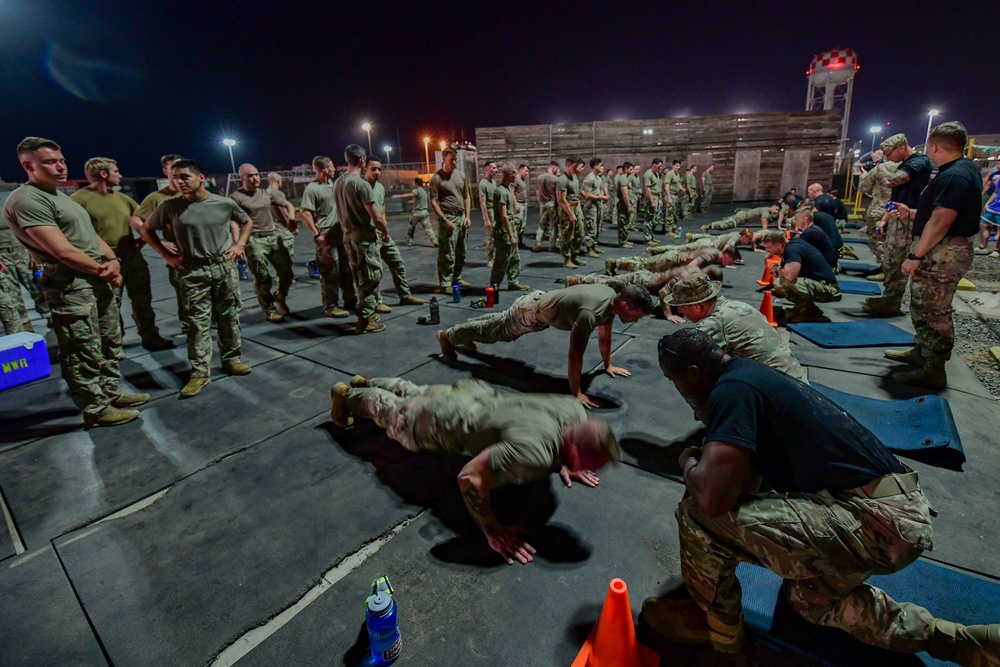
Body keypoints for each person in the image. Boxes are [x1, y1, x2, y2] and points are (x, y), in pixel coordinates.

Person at [643, 328, 1000, 664]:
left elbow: (713, 501)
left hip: (876, 519)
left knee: (697, 515)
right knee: (809, 602)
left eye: (674, 380)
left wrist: (689, 460)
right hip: (895, 511)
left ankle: (714, 626)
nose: (678, 389)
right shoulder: (748, 374)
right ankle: (959, 641)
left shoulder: (730, 391)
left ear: (692, 373)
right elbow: (750, 479)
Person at [329, 376, 621, 565]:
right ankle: (349, 397)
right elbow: (469, 477)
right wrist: (493, 531)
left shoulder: (575, 412)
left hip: (473, 393)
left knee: (414, 391)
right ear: (572, 450)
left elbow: (562, 437)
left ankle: (370, 381)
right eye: (586, 463)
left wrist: (570, 461)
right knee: (393, 414)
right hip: (439, 421)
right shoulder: (535, 453)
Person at [4, 137, 148, 426]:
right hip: (70, 282)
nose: (60, 167)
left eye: (61, 160)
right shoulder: (27, 200)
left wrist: (114, 261)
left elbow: (92, 237)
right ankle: (96, 409)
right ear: (27, 165)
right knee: (82, 347)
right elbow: (62, 251)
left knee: (109, 339)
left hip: (96, 274)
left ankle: (111, 392)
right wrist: (102, 268)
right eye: (50, 162)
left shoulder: (62, 198)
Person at [141, 159, 253, 398]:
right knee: (197, 323)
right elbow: (146, 229)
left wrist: (239, 244)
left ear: (201, 177)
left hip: (223, 268)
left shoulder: (223, 203)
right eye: (175, 177)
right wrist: (165, 254)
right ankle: (200, 373)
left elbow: (247, 221)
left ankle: (231, 359)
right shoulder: (170, 206)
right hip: (192, 271)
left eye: (184, 177)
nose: (179, 182)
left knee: (229, 316)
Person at [437, 283, 653, 408]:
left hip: (537, 305)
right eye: (636, 315)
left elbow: (605, 335)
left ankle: (464, 333)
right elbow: (575, 355)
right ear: (625, 305)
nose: (635, 321)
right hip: (529, 313)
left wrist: (608, 365)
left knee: (496, 324)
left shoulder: (610, 297)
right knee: (496, 332)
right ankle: (448, 336)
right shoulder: (591, 313)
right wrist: (577, 393)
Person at [889, 122, 983, 389]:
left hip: (943, 252)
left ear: (935, 146)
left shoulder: (955, 175)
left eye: (928, 147)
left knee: (934, 309)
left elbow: (942, 220)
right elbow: (942, 212)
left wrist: (915, 255)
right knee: (922, 304)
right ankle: (922, 352)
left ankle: (934, 369)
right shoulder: (960, 170)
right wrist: (913, 212)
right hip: (941, 248)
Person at [72, 157, 173, 349]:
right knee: (110, 305)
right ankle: (113, 344)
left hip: (131, 257)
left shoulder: (122, 198)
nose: (120, 175)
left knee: (143, 299)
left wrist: (141, 243)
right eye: (116, 171)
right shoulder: (78, 200)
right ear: (103, 174)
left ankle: (150, 337)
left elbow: (145, 222)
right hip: (104, 261)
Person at [662, 273, 808, 384]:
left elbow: (682, 354)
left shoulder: (714, 323)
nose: (680, 312)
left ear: (697, 306)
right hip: (795, 384)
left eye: (682, 307)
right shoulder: (738, 306)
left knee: (687, 374)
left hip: (780, 396)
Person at [862, 134, 933, 317]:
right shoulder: (906, 163)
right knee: (890, 258)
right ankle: (889, 299)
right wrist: (885, 219)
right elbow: (896, 196)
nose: (888, 158)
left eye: (889, 153)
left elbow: (891, 181)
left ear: (901, 147)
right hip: (898, 216)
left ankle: (891, 302)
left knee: (897, 261)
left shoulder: (918, 163)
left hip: (908, 220)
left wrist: (879, 165)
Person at [334, 145, 389, 335]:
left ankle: (369, 314)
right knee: (371, 277)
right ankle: (364, 320)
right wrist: (385, 231)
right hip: (364, 237)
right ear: (363, 160)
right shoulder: (360, 184)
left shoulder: (339, 182)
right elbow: (376, 216)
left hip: (348, 237)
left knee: (360, 276)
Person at [230, 163, 294, 323]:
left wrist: (291, 218)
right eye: (250, 175)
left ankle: (280, 297)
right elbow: (233, 222)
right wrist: (239, 243)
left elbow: (288, 204)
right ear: (241, 178)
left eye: (257, 174)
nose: (255, 178)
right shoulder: (236, 198)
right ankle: (269, 309)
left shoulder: (266, 194)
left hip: (273, 235)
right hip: (253, 239)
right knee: (263, 277)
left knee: (287, 273)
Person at [130, 153, 185, 332]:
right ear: (165, 171)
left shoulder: (194, 192)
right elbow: (137, 221)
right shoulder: (158, 198)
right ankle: (191, 328)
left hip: (206, 254)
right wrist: (161, 245)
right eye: (173, 168)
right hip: (180, 258)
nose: (178, 171)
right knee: (186, 297)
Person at [363, 159, 425, 315]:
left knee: (397, 262)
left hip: (382, 232)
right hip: (368, 235)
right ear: (365, 169)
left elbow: (382, 208)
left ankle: (405, 295)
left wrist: (384, 227)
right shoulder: (360, 187)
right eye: (373, 169)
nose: (377, 172)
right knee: (374, 271)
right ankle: (377, 302)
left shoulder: (380, 187)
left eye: (379, 169)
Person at [299, 156, 355, 318]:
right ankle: (330, 305)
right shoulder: (312, 189)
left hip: (340, 232)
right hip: (326, 234)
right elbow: (305, 213)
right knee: (330, 271)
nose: (334, 169)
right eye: (331, 167)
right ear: (324, 169)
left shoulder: (331, 184)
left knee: (346, 268)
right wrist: (317, 235)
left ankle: (350, 299)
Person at [760, 229, 841, 322]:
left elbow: (790, 276)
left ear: (779, 245)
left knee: (786, 282)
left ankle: (810, 310)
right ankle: (803, 307)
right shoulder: (791, 245)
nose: (767, 250)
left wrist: (777, 268)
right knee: (781, 283)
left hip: (829, 289)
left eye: (769, 248)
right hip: (820, 283)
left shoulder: (792, 250)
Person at [0, 207, 49, 332]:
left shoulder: (9, 211)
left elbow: (28, 232)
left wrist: (34, 253)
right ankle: (26, 328)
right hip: (2, 258)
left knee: (37, 288)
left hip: (22, 253)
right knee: (12, 295)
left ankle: (50, 317)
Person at [430, 147, 472, 292]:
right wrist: (444, 220)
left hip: (461, 217)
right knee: (447, 252)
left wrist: (467, 216)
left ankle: (457, 278)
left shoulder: (460, 175)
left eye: (455, 159)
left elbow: (466, 196)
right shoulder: (437, 178)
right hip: (448, 217)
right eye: (451, 160)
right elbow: (434, 201)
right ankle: (445, 283)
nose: (454, 162)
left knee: (462, 251)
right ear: (444, 159)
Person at [488, 164, 530, 291]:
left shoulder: (507, 190)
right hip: (504, 231)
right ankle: (494, 285)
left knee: (514, 257)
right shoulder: (500, 191)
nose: (516, 176)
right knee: (502, 260)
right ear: (509, 174)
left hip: (510, 227)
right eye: (514, 173)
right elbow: (504, 216)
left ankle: (513, 282)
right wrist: (511, 235)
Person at [857, 152, 897, 269]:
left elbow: (863, 186)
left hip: (879, 210)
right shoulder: (902, 168)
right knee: (889, 242)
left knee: (878, 241)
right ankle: (885, 269)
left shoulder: (880, 169)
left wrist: (864, 174)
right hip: (893, 209)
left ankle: (884, 270)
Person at [605, 245, 739, 275]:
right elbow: (692, 265)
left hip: (674, 257)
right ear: (727, 255)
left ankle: (618, 262)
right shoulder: (712, 256)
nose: (729, 264)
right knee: (644, 267)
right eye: (730, 261)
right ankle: (615, 263)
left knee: (646, 262)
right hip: (672, 260)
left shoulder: (715, 252)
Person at [557, 157, 585, 268]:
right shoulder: (563, 179)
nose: (576, 169)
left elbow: (576, 196)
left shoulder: (574, 177)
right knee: (567, 235)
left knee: (580, 233)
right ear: (568, 165)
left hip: (576, 207)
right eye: (574, 166)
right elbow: (562, 200)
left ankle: (574, 256)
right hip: (567, 209)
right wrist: (571, 214)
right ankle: (566, 259)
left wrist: (578, 210)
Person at [393, 177, 437, 247]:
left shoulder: (416, 190)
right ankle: (434, 241)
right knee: (428, 228)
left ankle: (409, 241)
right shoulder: (424, 191)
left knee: (411, 227)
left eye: (413, 182)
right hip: (424, 212)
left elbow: (410, 195)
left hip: (417, 213)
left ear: (416, 183)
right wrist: (413, 201)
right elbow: (421, 199)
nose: (413, 184)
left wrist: (398, 196)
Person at [265, 172, 298, 259]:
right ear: (278, 181)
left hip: (271, 228)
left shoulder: (265, 193)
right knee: (286, 258)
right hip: (281, 228)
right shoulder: (278, 193)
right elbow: (284, 212)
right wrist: (293, 227)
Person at [581, 158, 608, 257]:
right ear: (595, 166)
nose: (602, 167)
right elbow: (586, 195)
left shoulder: (598, 178)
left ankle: (594, 245)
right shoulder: (590, 178)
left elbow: (599, 191)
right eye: (600, 165)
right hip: (591, 206)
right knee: (592, 226)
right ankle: (589, 248)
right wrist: (600, 197)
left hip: (598, 204)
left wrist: (603, 200)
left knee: (598, 226)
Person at [533, 161, 560, 252]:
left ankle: (538, 242)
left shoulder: (539, 177)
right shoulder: (555, 179)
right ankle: (551, 245)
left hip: (542, 204)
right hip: (552, 204)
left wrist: (540, 201)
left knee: (541, 225)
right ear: (553, 168)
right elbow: (557, 194)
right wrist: (558, 204)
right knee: (553, 226)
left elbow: (537, 191)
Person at [701, 204, 781, 233]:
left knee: (725, 223)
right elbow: (764, 221)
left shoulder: (766, 210)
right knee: (724, 226)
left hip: (742, 217)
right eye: (776, 209)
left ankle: (708, 226)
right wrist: (765, 232)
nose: (776, 212)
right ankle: (706, 227)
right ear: (773, 206)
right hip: (741, 218)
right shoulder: (766, 211)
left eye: (778, 211)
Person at [478, 161, 498, 268]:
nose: (496, 170)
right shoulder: (483, 184)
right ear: (488, 169)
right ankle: (490, 259)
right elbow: (483, 203)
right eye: (494, 168)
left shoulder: (493, 182)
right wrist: (486, 219)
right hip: (489, 212)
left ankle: (497, 258)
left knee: (498, 236)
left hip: (496, 212)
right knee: (491, 237)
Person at [641, 159, 664, 245]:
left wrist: (660, 199)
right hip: (651, 197)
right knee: (649, 218)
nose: (660, 167)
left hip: (657, 196)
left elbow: (658, 188)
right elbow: (647, 189)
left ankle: (651, 236)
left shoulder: (657, 174)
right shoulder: (648, 174)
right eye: (659, 166)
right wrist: (651, 201)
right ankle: (647, 239)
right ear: (654, 165)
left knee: (656, 218)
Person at [614, 161, 635, 248]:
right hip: (623, 205)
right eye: (631, 169)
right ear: (626, 169)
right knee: (623, 224)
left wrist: (631, 200)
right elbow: (625, 194)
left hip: (625, 204)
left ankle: (624, 240)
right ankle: (622, 242)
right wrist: (629, 206)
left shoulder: (625, 178)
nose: (632, 171)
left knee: (625, 223)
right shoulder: (623, 179)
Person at [512, 164, 530, 248]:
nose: (527, 173)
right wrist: (515, 204)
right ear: (521, 170)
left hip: (524, 204)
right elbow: (512, 192)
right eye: (526, 171)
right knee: (517, 224)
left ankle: (520, 242)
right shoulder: (515, 179)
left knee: (523, 225)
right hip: (518, 204)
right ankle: (515, 243)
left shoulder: (522, 180)